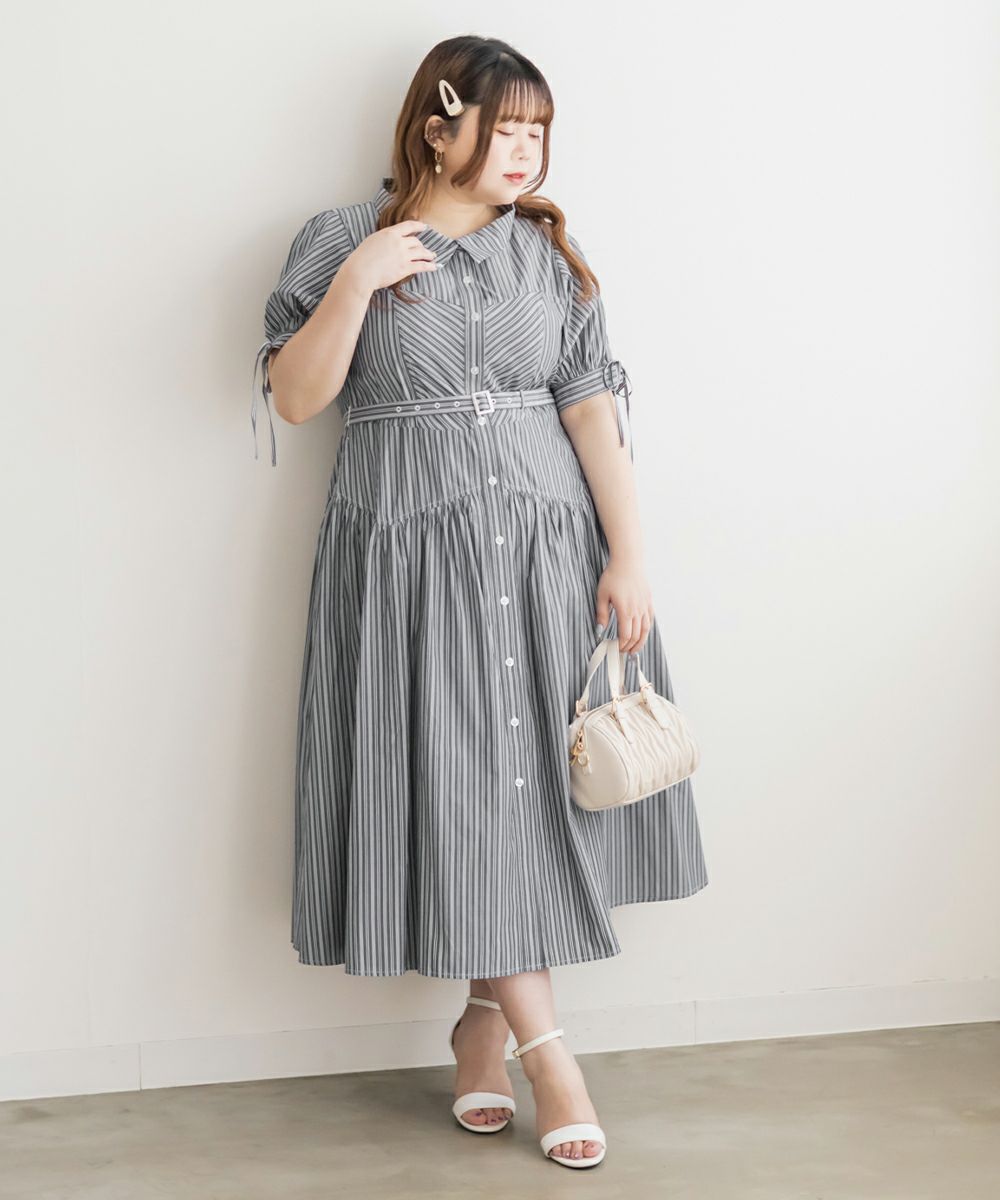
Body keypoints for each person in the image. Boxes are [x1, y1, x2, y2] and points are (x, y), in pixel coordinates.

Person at [251, 34, 709, 1170]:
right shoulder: (340, 239)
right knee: (465, 793)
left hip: (548, 558)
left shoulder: (546, 257)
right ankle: (550, 1058)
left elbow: (590, 411)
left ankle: (480, 1028)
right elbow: (296, 399)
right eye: (505, 128)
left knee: (523, 796)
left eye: (537, 131)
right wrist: (359, 280)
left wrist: (629, 556)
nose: (525, 151)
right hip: (410, 565)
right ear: (435, 126)